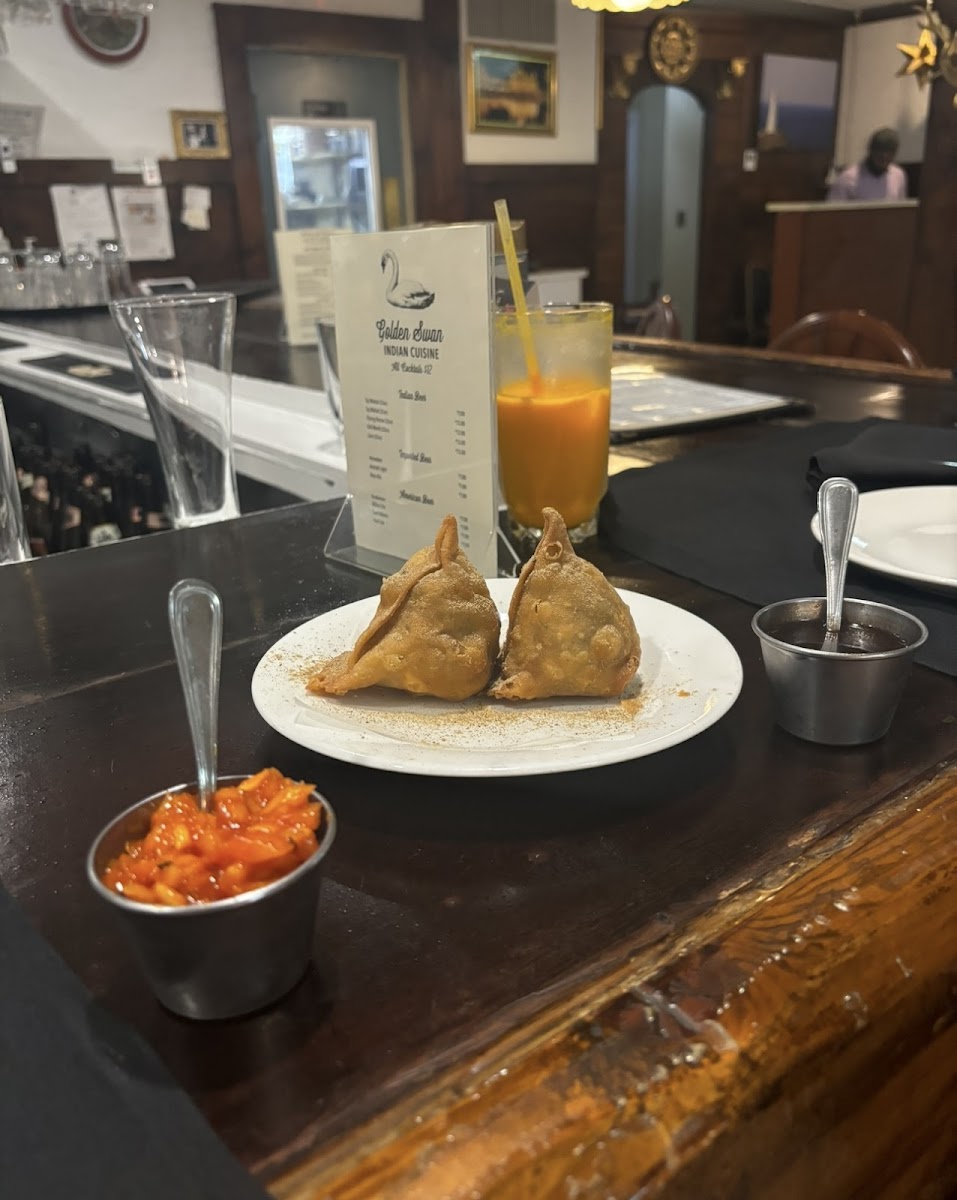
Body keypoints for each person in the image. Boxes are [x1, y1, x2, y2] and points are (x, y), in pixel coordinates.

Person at [827, 128, 907, 202]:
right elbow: (833, 209)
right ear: (870, 150)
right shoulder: (847, 178)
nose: (884, 156)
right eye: (880, 151)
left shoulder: (898, 175)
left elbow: (900, 207)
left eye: (890, 152)